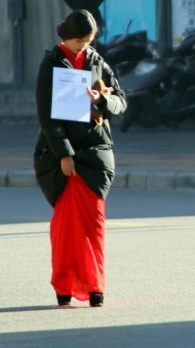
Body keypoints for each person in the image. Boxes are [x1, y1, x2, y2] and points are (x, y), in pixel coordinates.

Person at [33, 9, 126, 307]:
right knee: (65, 227)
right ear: (66, 36)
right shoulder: (50, 65)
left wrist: (101, 99)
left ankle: (95, 286)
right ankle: (64, 286)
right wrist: (64, 154)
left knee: (94, 223)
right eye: (78, 41)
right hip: (62, 156)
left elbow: (121, 100)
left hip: (96, 153)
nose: (83, 47)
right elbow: (48, 118)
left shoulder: (97, 61)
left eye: (88, 41)